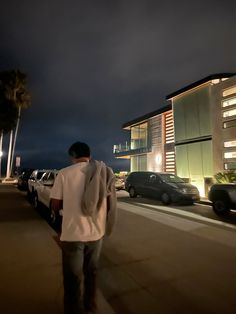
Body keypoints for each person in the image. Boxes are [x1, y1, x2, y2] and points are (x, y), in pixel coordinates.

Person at [50, 141, 117, 314]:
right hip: (96, 234)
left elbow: (55, 205)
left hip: (73, 235)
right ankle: (90, 307)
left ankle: (74, 310)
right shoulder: (103, 173)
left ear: (73, 156)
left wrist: (69, 203)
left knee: (72, 279)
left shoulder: (64, 174)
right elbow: (109, 204)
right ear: (89, 155)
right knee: (91, 274)